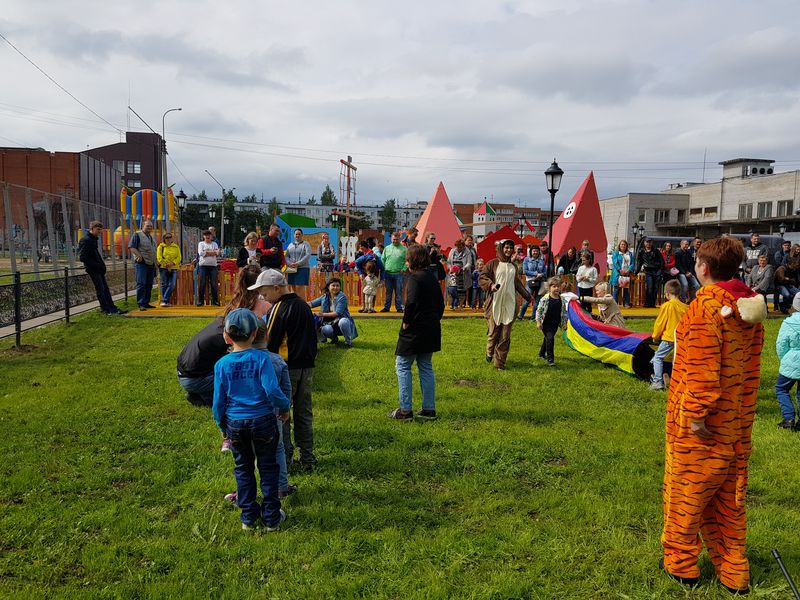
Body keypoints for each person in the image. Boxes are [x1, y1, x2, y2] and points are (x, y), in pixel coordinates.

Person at [660, 237, 766, 595]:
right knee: (728, 501)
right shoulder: (749, 311)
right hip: (736, 421)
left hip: (702, 427)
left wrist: (695, 416)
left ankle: (681, 563)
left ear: (703, 268)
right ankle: (733, 569)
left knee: (686, 494)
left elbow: (702, 371)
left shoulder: (704, 309)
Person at [212, 308, 291, 531]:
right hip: (264, 421)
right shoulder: (262, 359)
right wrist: (284, 407)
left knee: (243, 468)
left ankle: (248, 517)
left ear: (226, 335)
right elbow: (272, 390)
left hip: (235, 424)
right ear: (255, 333)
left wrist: (221, 425)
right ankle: (272, 518)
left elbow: (218, 402)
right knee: (268, 467)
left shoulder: (221, 364)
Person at [250, 269, 319, 471]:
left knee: (283, 414)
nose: (263, 298)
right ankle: (307, 458)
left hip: (287, 369)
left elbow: (269, 342)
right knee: (304, 413)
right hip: (307, 367)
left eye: (264, 293)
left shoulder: (278, 308)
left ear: (277, 288)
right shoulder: (303, 305)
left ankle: (286, 460)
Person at [389, 243, 444, 421]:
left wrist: (406, 321)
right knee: (425, 366)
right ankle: (429, 409)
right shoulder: (432, 278)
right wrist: (434, 319)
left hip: (414, 329)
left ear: (413, 260)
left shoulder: (414, 278)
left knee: (403, 365)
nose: (406, 262)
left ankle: (405, 411)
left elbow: (411, 302)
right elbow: (441, 304)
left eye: (407, 259)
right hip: (431, 328)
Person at [479, 239, 531, 370]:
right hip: (495, 303)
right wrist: (491, 285)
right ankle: (489, 351)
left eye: (511, 248)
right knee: (493, 332)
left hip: (509, 303)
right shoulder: (493, 263)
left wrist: (527, 295)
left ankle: (499, 363)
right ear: (502, 248)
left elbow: (517, 283)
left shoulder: (513, 266)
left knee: (505, 335)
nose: (508, 250)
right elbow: (482, 277)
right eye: (506, 247)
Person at [177, 317, 229, 406]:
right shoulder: (224, 337)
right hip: (192, 379)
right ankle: (205, 398)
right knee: (236, 374)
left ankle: (201, 393)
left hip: (185, 373)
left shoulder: (220, 323)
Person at [78, 221, 125, 315]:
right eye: (98, 229)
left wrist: (101, 266)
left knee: (105, 289)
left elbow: (95, 255)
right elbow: (83, 257)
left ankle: (112, 308)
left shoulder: (93, 239)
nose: (99, 231)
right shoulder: (86, 240)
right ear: (92, 229)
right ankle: (106, 309)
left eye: (100, 230)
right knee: (101, 290)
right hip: (93, 269)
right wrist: (97, 265)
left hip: (98, 269)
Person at [649, 279, 687, 391]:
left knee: (658, 357)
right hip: (681, 338)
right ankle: (679, 381)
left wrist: (655, 336)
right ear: (679, 293)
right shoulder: (686, 307)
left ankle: (657, 381)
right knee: (678, 359)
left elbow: (660, 323)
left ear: (666, 294)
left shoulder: (667, 306)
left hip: (669, 338)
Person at [775, 293, 800, 431]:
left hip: (791, 361)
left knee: (781, 389)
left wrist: (784, 359)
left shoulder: (788, 323)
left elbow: (781, 344)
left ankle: (788, 418)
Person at [309, 277, 358, 345]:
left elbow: (337, 313)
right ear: (328, 287)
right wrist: (300, 304)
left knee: (344, 321)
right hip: (329, 322)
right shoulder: (324, 297)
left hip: (341, 322)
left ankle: (348, 341)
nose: (335, 287)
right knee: (326, 329)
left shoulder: (342, 297)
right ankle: (334, 339)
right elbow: (312, 304)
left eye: (337, 286)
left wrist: (321, 314)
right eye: (333, 285)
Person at [535, 276, 568, 366]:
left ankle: (541, 354)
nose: (556, 288)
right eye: (554, 286)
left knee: (548, 338)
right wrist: (538, 322)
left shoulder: (562, 300)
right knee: (550, 338)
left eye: (558, 286)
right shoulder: (545, 299)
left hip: (555, 324)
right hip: (546, 324)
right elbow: (539, 311)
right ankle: (550, 360)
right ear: (549, 288)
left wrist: (564, 323)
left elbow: (564, 313)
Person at [128, 219, 157, 310]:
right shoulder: (137, 235)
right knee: (141, 283)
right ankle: (141, 303)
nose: (149, 227)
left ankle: (146, 302)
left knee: (149, 284)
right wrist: (139, 255)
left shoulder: (151, 237)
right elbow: (132, 247)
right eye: (147, 226)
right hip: (142, 263)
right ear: (143, 226)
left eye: (151, 226)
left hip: (151, 263)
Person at [381, 231, 407, 313]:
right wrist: (383, 269)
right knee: (388, 292)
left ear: (400, 239)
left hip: (399, 274)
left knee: (398, 292)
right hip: (388, 273)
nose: (395, 241)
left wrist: (404, 269)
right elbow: (383, 260)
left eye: (397, 239)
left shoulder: (404, 249)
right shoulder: (387, 248)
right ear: (391, 239)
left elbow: (407, 261)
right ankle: (386, 308)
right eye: (394, 239)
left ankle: (399, 308)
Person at [518, 245, 546, 320]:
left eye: (537, 251)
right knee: (527, 299)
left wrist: (541, 275)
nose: (535, 252)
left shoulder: (541, 261)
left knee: (537, 300)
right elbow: (525, 271)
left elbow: (545, 272)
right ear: (531, 252)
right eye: (534, 251)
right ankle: (520, 316)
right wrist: (536, 274)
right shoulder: (527, 259)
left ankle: (533, 317)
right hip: (530, 281)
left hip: (539, 282)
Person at [637, 237, 664, 308]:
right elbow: (639, 263)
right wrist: (636, 272)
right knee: (649, 287)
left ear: (651, 243)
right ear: (644, 243)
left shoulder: (656, 251)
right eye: (647, 242)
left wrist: (661, 271)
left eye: (649, 242)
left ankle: (652, 304)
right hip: (648, 271)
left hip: (657, 271)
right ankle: (647, 303)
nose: (648, 243)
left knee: (655, 288)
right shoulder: (641, 251)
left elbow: (662, 261)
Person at [285, 229, 311, 300]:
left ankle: (302, 303)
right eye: (296, 234)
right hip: (292, 268)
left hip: (303, 268)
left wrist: (298, 263)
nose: (297, 235)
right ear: (294, 235)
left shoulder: (306, 244)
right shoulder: (290, 245)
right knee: (292, 287)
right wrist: (290, 263)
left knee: (299, 287)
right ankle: (295, 304)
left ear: (302, 235)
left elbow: (307, 255)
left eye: (299, 234)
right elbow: (287, 256)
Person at [156, 232, 181, 307]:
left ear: (172, 238)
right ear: (164, 239)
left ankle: (164, 300)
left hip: (173, 268)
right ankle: (165, 302)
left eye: (170, 237)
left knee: (172, 285)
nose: (168, 239)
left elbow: (179, 257)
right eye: (166, 237)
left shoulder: (176, 247)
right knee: (164, 284)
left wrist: (172, 263)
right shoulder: (160, 247)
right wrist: (166, 264)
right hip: (164, 268)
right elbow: (159, 258)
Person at [197, 230, 220, 306]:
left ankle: (215, 301)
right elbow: (201, 253)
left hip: (213, 266)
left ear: (211, 236)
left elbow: (217, 253)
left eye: (209, 235)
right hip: (203, 266)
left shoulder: (214, 244)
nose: (207, 236)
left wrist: (206, 252)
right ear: (203, 236)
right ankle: (200, 301)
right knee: (202, 283)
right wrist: (212, 252)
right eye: (206, 235)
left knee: (214, 283)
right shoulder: (201, 244)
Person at [448, 238, 473, 308]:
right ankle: (453, 304)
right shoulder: (452, 251)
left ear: (463, 246)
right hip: (453, 274)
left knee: (462, 290)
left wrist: (464, 268)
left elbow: (469, 262)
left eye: (460, 247)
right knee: (453, 289)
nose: (459, 248)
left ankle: (461, 304)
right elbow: (448, 262)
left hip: (463, 273)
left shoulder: (467, 251)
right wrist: (451, 269)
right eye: (457, 247)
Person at [774, 247, 800, 313]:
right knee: (787, 295)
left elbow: (794, 280)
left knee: (798, 293)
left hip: (788, 285)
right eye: (794, 265)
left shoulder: (793, 270)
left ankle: (788, 306)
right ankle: (783, 306)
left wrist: (788, 279)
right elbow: (782, 279)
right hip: (780, 285)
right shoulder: (782, 269)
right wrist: (789, 279)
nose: (795, 267)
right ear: (790, 264)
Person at [610, 239, 635, 308]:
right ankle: (614, 305)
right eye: (622, 244)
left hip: (627, 274)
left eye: (624, 244)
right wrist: (620, 270)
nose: (623, 246)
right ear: (619, 245)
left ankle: (626, 303)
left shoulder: (630, 254)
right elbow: (615, 262)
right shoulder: (616, 253)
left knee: (626, 289)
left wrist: (629, 270)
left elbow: (633, 263)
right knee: (616, 289)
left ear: (626, 246)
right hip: (618, 274)